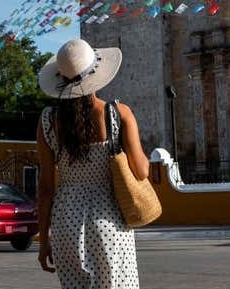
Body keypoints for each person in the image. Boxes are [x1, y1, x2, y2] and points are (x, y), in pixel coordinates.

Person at [36, 39, 148, 288]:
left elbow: (45, 190)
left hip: (65, 222)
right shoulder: (118, 113)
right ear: (95, 73)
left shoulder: (47, 122)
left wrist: (44, 240)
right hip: (108, 221)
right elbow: (141, 171)